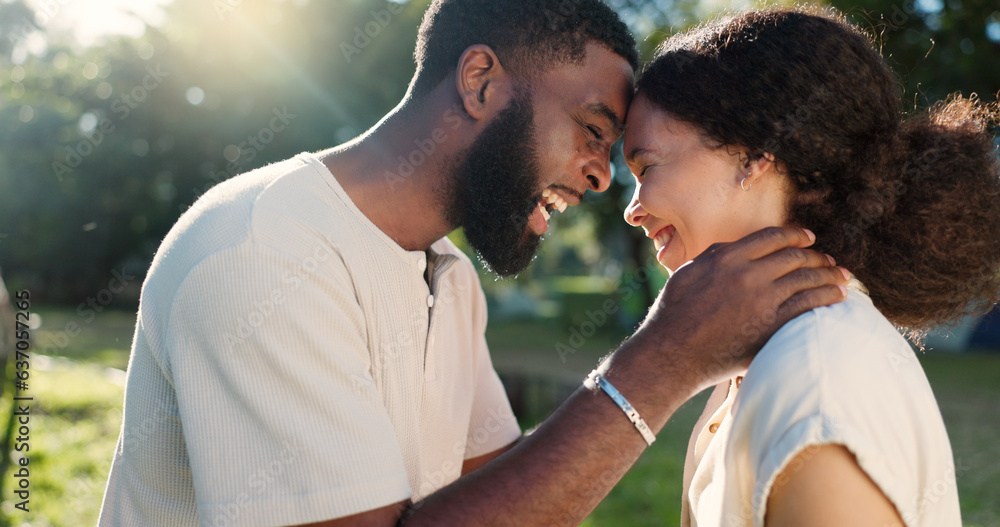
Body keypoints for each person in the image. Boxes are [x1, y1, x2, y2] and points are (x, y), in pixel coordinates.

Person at [98, 1, 850, 526]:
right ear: (481, 81)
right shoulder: (261, 255)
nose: (600, 177)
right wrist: (663, 360)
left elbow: (504, 499)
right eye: (592, 129)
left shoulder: (446, 275)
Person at [623, 6, 1000, 527]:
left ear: (754, 154)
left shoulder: (816, 378)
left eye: (647, 167)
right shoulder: (765, 353)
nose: (632, 207)